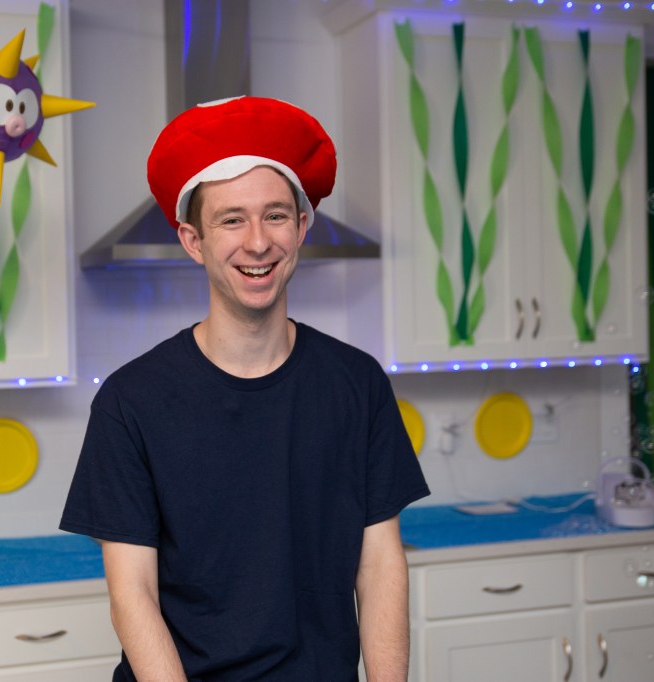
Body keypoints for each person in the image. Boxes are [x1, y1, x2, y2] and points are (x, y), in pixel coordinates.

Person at [61, 96, 429, 682]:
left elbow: (381, 564)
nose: (258, 243)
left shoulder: (356, 385)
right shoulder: (130, 402)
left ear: (302, 225)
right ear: (193, 240)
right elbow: (133, 594)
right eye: (231, 219)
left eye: (276, 215)